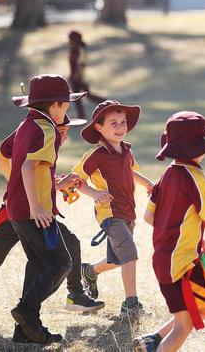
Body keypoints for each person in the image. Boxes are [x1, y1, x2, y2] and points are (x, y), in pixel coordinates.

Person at [0, 115, 105, 340]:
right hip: (20, 213)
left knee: (54, 252)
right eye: (61, 130)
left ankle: (50, 310)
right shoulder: (39, 132)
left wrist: (57, 184)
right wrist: (20, 186)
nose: (63, 136)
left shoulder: (41, 135)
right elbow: (3, 157)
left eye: (66, 131)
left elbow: (35, 173)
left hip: (31, 213)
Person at [132, 111, 205, 352]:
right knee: (184, 325)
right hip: (182, 263)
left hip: (165, 260)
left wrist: (174, 227)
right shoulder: (197, 178)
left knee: (203, 306)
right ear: (199, 148)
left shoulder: (166, 176)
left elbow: (149, 216)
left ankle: (153, 340)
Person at [6, 74, 87, 344]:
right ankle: (26, 312)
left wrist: (54, 185)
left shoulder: (27, 125)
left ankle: (25, 332)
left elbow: (26, 165)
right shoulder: (47, 129)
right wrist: (38, 207)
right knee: (62, 262)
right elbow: (29, 167)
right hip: (35, 213)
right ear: (54, 106)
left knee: (39, 263)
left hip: (18, 210)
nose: (66, 110)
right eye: (65, 105)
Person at [71, 100, 154, 316]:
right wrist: (94, 194)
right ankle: (131, 304)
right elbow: (75, 180)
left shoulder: (127, 150)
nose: (120, 128)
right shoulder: (96, 155)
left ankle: (89, 271)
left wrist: (149, 184)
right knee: (129, 252)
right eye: (113, 123)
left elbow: (130, 172)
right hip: (109, 213)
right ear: (99, 127)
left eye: (123, 122)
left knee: (117, 258)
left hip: (128, 212)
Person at [68, 30, 106, 119]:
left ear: (75, 40)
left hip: (80, 78)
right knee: (77, 99)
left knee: (88, 96)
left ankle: (107, 102)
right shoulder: (73, 49)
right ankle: (81, 117)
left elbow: (81, 64)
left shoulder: (81, 50)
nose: (68, 40)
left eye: (70, 39)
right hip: (75, 77)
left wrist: (78, 75)